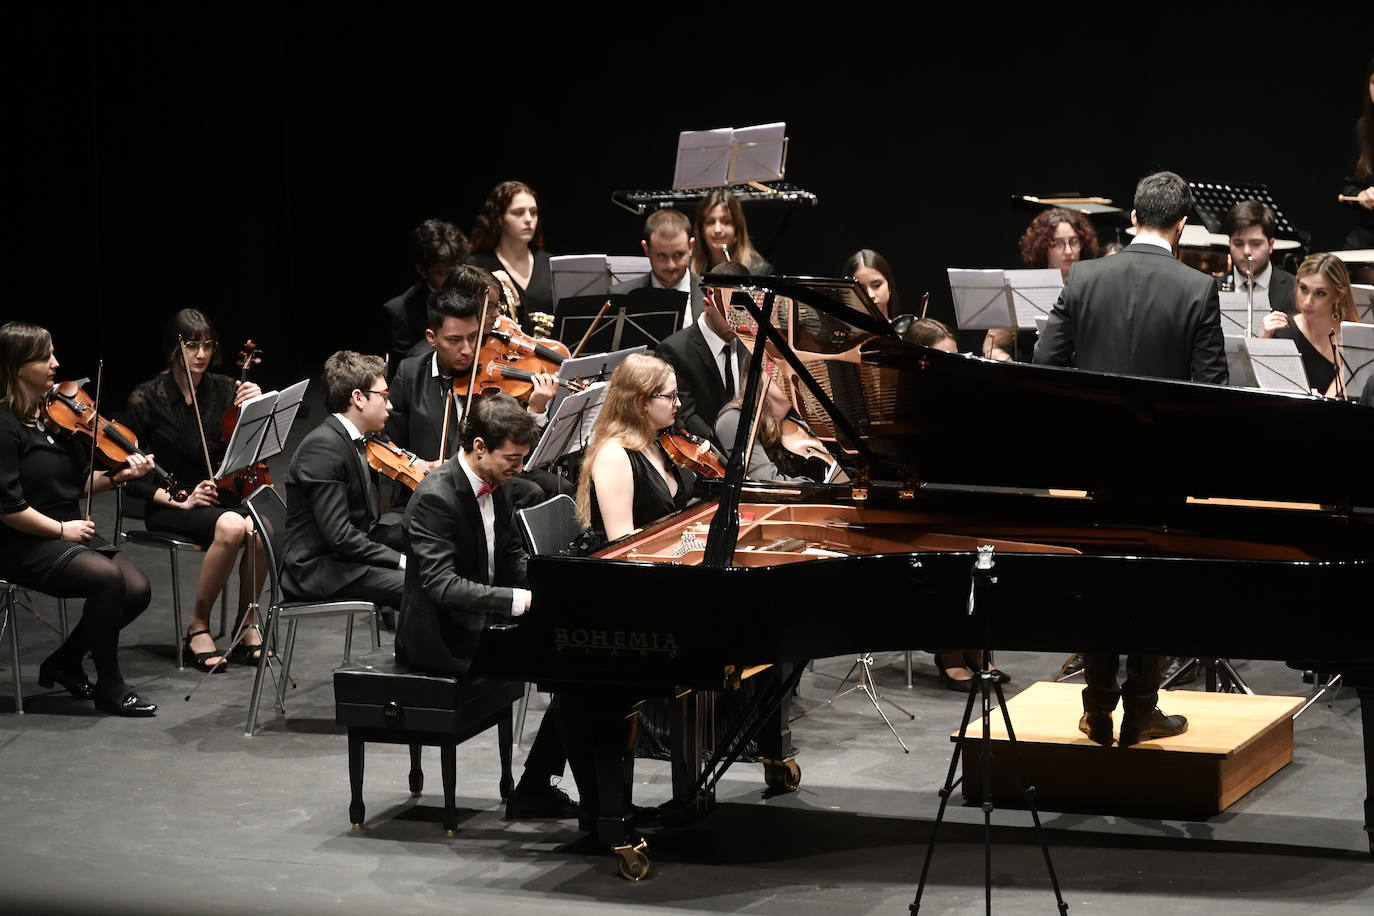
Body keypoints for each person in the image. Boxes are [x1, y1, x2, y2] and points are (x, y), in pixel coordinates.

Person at [1035, 170, 1228, 747]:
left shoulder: (1086, 276)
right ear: (1182, 225)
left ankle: (1096, 709)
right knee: (1152, 587)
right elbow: (1209, 391)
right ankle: (1142, 709)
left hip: (1095, 465)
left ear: (1134, 218)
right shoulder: (1197, 289)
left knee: (1099, 584)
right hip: (1163, 470)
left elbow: (1045, 366)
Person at [395, 393, 575, 819]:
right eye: (511, 458)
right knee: (574, 672)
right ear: (479, 448)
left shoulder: (500, 486)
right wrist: (519, 601)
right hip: (444, 637)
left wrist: (549, 588)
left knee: (578, 667)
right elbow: (442, 585)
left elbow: (512, 554)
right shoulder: (435, 497)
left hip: (484, 621)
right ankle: (540, 789)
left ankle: (537, 786)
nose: (520, 468)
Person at [0, 321, 158, 716]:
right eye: (44, 356)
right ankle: (111, 685)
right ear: (18, 366)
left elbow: (79, 484)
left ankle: (65, 662)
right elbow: (7, 508)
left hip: (64, 532)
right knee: (107, 579)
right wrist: (62, 529)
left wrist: (121, 475)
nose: (56, 363)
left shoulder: (52, 415)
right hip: (20, 540)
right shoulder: (4, 425)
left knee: (137, 589)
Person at [124, 309, 269, 672]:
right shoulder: (145, 399)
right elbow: (132, 479)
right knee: (235, 527)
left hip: (217, 499)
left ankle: (246, 625)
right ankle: (197, 627)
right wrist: (182, 500)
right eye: (191, 345)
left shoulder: (224, 389)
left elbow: (247, 447)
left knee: (261, 529)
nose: (201, 354)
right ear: (174, 349)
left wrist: (256, 405)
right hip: (170, 504)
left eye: (207, 345)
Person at [385, 286, 557, 481]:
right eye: (455, 340)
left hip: (491, 483)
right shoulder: (411, 374)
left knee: (551, 485)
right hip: (429, 485)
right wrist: (417, 464)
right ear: (432, 338)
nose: (467, 350)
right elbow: (388, 439)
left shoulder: (493, 380)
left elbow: (522, 454)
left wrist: (536, 409)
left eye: (473, 337)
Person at [280, 351, 406, 612]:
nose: (390, 406)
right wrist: (400, 561)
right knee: (418, 585)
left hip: (341, 557)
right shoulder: (323, 448)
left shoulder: (354, 438)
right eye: (384, 396)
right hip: (319, 569)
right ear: (358, 398)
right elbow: (340, 537)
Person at [575, 353, 696, 544]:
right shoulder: (614, 457)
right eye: (671, 396)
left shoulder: (657, 443)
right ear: (641, 402)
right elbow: (623, 544)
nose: (678, 403)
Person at [654, 278, 745, 450]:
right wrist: (726, 450)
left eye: (743, 313)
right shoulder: (674, 350)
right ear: (707, 305)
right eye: (729, 312)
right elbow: (685, 415)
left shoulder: (748, 342)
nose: (737, 321)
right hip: (708, 451)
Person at [1257, 253, 1359, 397]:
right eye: (1303, 289)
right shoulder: (1281, 330)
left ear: (1338, 296)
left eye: (1320, 294)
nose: (1307, 301)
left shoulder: (1353, 341)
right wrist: (1262, 342)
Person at [380, 218, 468, 370]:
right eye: (442, 273)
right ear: (422, 270)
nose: (454, 277)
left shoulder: (475, 289)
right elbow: (408, 373)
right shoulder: (400, 312)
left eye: (456, 269)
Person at [467, 181, 554, 330]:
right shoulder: (477, 265)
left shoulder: (550, 263)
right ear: (499, 218)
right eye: (519, 213)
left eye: (533, 212)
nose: (528, 219)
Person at [610, 208, 704, 328]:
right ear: (646, 250)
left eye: (678, 255)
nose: (671, 265)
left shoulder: (712, 295)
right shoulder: (621, 296)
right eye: (661, 256)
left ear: (691, 247)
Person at [1221, 200, 1296, 315]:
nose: (1246, 252)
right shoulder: (1210, 290)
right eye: (1238, 243)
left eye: (1256, 243)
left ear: (1271, 245)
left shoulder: (1295, 289)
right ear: (1230, 244)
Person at [691, 189, 772, 276]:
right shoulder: (688, 270)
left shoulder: (760, 272)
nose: (717, 230)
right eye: (710, 222)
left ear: (737, 228)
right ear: (701, 230)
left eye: (726, 222)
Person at [1342, 58, 1374, 249]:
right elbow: (1349, 188)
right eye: (1373, 82)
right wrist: (1361, 195)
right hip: (1368, 232)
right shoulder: (1362, 128)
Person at [1019, 207, 1100, 282]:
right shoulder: (1030, 286)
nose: (1068, 251)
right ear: (1043, 247)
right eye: (1058, 243)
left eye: (1074, 241)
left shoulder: (1094, 286)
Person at [842, 249, 899, 317]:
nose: (870, 295)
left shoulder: (908, 326)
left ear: (889, 286)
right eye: (861, 289)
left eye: (877, 285)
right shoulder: (838, 327)